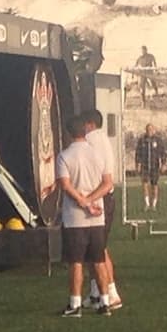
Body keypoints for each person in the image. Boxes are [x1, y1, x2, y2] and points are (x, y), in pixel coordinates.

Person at [56, 115, 113, 318]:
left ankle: (75, 304)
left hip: (75, 217)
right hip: (97, 215)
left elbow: (65, 184)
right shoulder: (97, 154)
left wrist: (82, 200)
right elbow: (107, 183)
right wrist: (91, 200)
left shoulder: (65, 156)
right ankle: (105, 302)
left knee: (76, 262)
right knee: (98, 260)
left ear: (69, 133)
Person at [80, 110, 123, 311]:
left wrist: (87, 198)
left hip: (99, 197)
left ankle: (112, 293)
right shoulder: (103, 139)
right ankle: (96, 292)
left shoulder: (90, 140)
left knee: (98, 248)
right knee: (92, 248)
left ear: (89, 124)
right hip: (104, 197)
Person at [135, 123, 167, 211]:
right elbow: (138, 153)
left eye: (151, 129)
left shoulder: (158, 140)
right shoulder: (142, 140)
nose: (149, 131)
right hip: (145, 166)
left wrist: (163, 164)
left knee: (154, 185)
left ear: (154, 130)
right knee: (145, 184)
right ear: (146, 130)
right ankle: (147, 204)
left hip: (154, 166)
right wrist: (138, 164)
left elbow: (163, 153)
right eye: (148, 129)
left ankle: (154, 204)